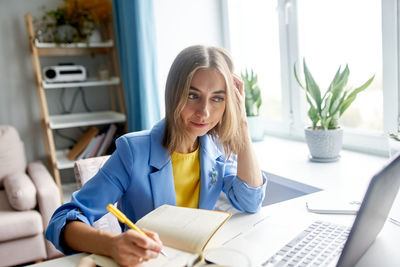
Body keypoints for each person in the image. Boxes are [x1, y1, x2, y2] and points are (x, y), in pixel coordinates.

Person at [46, 45, 267, 266]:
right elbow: (61, 221)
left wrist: (243, 124)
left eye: (217, 98)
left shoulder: (218, 149)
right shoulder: (133, 151)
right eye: (192, 95)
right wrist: (112, 243)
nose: (205, 112)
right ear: (173, 95)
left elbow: (250, 200)